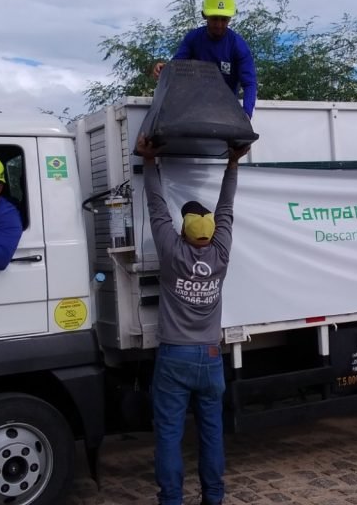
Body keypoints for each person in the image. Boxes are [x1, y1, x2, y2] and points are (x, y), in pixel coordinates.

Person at [137, 134, 250, 505]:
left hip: (174, 356)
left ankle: (171, 499)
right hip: (210, 357)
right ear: (213, 231)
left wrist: (149, 161)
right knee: (212, 433)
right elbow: (227, 205)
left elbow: (156, 205)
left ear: (183, 230)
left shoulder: (172, 252)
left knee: (169, 435)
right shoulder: (221, 252)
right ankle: (213, 498)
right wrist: (232, 163)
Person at [152, 0, 257, 118]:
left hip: (226, 113)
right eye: (214, 18)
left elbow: (249, 83)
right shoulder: (193, 39)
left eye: (224, 19)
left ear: (230, 18)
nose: (219, 24)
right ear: (204, 15)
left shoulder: (238, 46)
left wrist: (246, 114)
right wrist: (163, 69)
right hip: (194, 110)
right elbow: (176, 67)